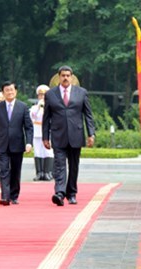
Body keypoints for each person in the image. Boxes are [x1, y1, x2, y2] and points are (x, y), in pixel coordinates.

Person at [42, 65, 96, 206]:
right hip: (58, 135)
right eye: (63, 75)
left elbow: (88, 115)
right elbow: (46, 117)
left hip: (76, 134)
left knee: (73, 166)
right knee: (59, 164)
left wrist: (91, 133)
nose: (65, 78)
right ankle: (59, 193)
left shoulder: (81, 93)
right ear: (58, 77)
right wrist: (45, 137)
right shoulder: (50, 94)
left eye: (68, 75)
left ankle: (71, 193)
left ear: (71, 77)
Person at [0, 81, 33, 206]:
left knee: (15, 171)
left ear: (16, 91)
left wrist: (29, 142)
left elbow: (28, 127)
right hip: (2, 144)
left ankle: (14, 195)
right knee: (3, 170)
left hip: (17, 144)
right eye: (7, 90)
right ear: (3, 93)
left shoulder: (23, 107)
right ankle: (5, 196)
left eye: (12, 90)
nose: (10, 92)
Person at [30, 84, 54, 181]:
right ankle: (39, 173)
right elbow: (32, 117)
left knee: (48, 152)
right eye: (40, 95)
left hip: (48, 132)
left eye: (44, 95)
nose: (42, 97)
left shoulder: (52, 107)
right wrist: (39, 107)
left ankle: (47, 172)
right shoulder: (35, 107)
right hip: (37, 132)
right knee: (38, 152)